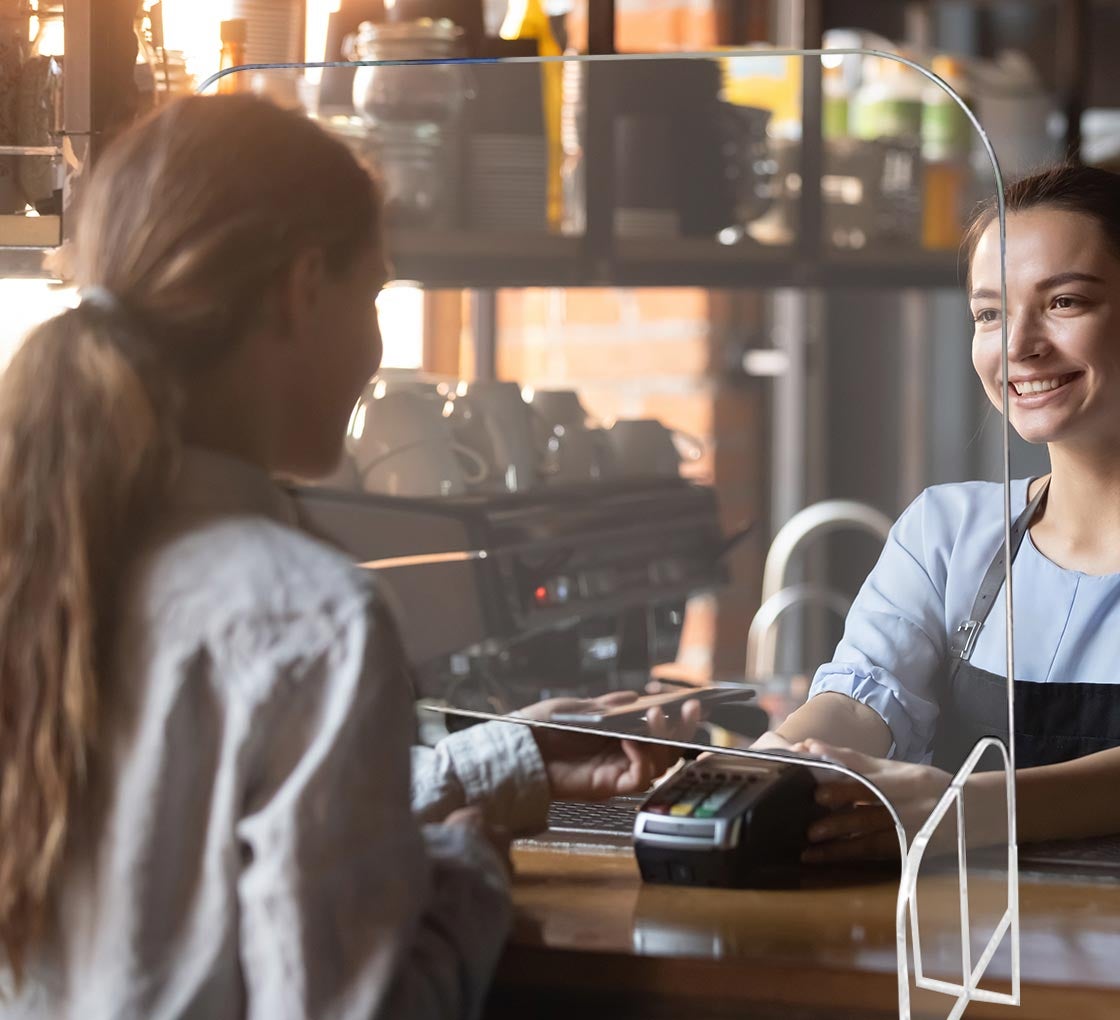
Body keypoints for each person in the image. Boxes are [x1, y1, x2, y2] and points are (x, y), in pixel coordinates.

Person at [0, 94, 697, 1019]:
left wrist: (509, 760)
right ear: (301, 289)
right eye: (374, 294)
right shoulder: (312, 615)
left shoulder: (37, 557)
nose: (376, 345)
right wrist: (466, 880)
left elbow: (187, 839)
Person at [750, 165, 1120, 861]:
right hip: (969, 960)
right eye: (989, 313)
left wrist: (956, 807)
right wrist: (776, 769)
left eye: (1064, 302)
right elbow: (863, 700)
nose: (1017, 346)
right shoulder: (948, 533)